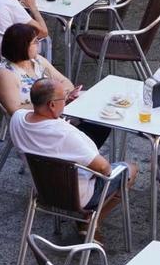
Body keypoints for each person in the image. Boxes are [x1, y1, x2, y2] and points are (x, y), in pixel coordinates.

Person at [10, 78, 138, 240]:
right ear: (51, 105)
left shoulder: (17, 119)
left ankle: (88, 220)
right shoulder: (65, 135)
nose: (65, 101)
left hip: (43, 190)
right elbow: (104, 169)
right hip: (77, 196)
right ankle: (91, 220)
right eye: (64, 98)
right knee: (130, 169)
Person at [0, 23, 110, 147]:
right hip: (34, 127)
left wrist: (63, 97)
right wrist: (52, 102)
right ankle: (76, 157)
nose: (38, 44)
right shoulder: (5, 74)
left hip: (56, 116)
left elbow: (65, 82)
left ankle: (80, 156)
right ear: (21, 46)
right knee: (96, 127)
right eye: (34, 42)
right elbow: (15, 110)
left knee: (102, 117)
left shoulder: (36, 60)